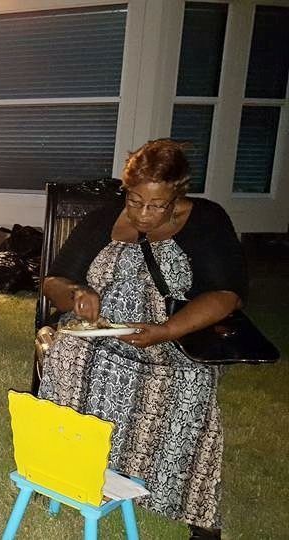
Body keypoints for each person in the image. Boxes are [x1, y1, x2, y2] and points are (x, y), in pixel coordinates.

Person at [38, 139, 246, 540]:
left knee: (190, 382)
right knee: (71, 357)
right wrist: (77, 293)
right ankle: (74, 471)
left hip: (174, 335)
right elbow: (54, 280)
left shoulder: (207, 220)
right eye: (135, 201)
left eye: (157, 205)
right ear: (126, 188)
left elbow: (227, 295)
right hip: (100, 332)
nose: (144, 214)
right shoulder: (102, 220)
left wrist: (166, 331)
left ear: (177, 194)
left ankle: (193, 505)